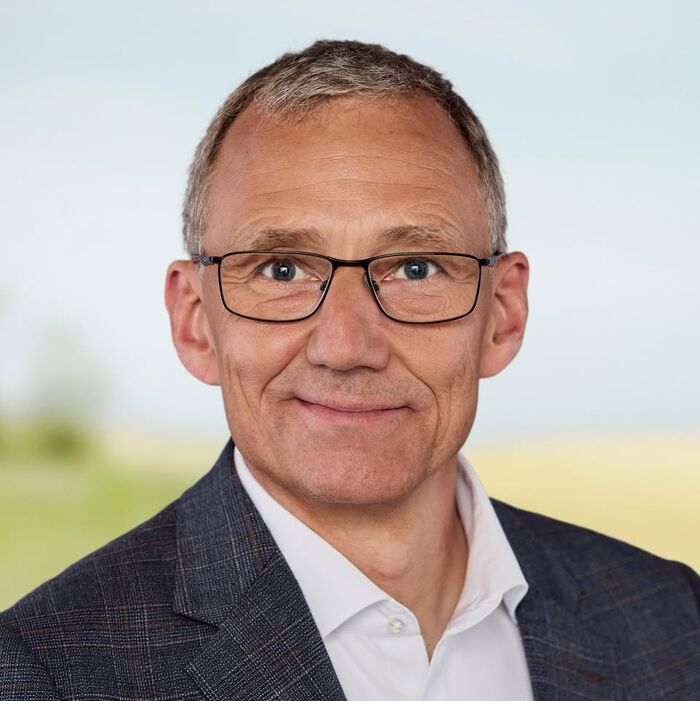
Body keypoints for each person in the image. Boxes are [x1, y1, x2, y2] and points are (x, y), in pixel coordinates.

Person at [1, 39, 698, 701]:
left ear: (504, 314)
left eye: (416, 268)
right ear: (194, 322)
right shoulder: (43, 673)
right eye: (281, 269)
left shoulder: (673, 619)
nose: (346, 345)